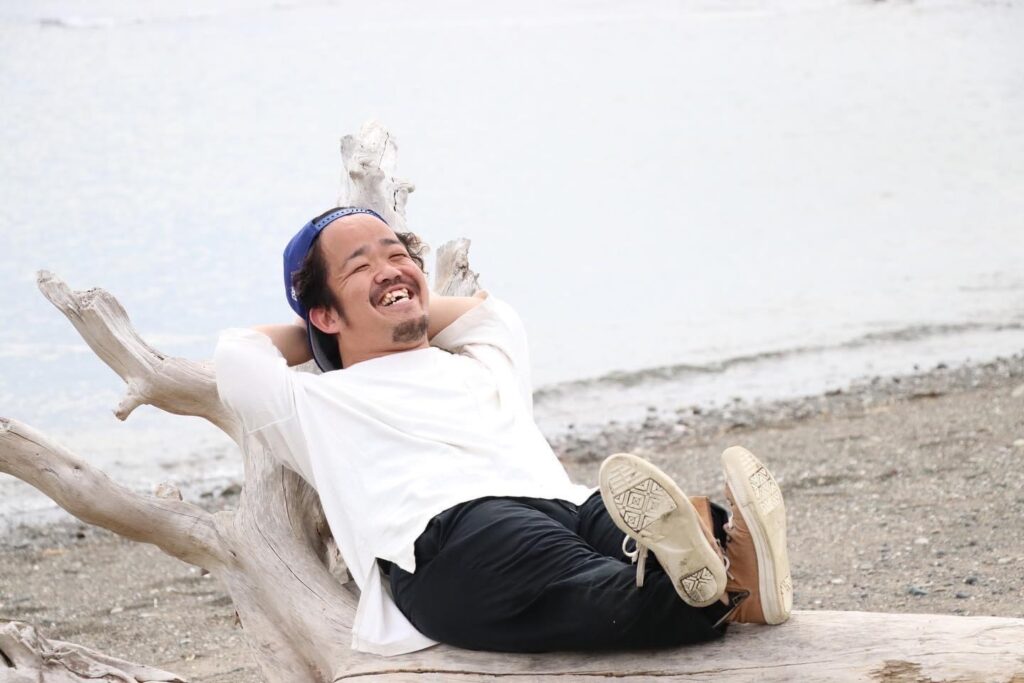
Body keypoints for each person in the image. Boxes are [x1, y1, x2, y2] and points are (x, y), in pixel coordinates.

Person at [213, 206, 792, 656]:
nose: (389, 269)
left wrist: (389, 297)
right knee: (602, 588)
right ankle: (720, 574)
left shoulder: (483, 363)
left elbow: (489, 313)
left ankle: (705, 569)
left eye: (399, 255)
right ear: (322, 313)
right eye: (360, 266)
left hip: (568, 506)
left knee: (627, 526)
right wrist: (328, 328)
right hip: (448, 536)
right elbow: (237, 353)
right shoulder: (312, 403)